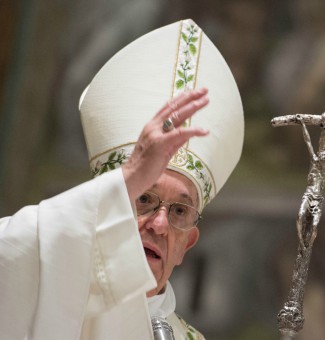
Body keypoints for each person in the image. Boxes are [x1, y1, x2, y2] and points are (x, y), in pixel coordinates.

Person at [0, 19, 244, 339]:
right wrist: (129, 175)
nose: (159, 224)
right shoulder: (50, 302)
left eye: (179, 211)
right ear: (99, 211)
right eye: (143, 198)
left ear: (187, 244)